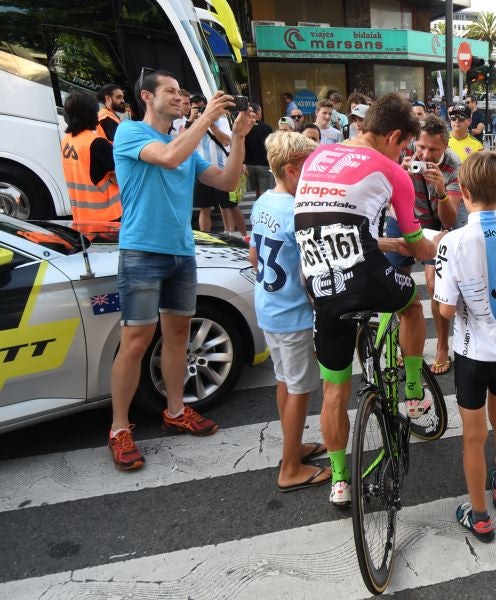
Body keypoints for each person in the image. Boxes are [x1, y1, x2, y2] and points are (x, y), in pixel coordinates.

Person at [293, 93, 438, 507]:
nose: (405, 154)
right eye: (405, 145)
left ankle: (339, 480)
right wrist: (437, 248)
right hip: (366, 274)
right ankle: (412, 391)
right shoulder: (392, 170)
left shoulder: (317, 158)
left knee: (334, 388)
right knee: (410, 305)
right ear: (394, 135)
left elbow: (324, 220)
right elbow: (414, 242)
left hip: (319, 280)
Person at [108, 71, 250, 470]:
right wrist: (206, 120)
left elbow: (224, 179)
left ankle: (175, 411)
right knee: (135, 340)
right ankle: (120, 429)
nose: (180, 97)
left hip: (182, 252)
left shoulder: (184, 143)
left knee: (178, 337)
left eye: (182, 93)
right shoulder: (131, 133)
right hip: (141, 251)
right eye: (171, 91)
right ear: (146, 96)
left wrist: (236, 137)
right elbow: (168, 158)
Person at [432, 151, 496, 543]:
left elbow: (443, 309)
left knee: (473, 435)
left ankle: (478, 514)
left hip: (472, 351)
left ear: (465, 190)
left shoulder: (453, 241)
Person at [248, 131, 330, 491]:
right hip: (294, 314)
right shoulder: (298, 212)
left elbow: (254, 257)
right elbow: (308, 274)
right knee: (299, 390)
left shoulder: (264, 201)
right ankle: (290, 468)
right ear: (295, 170)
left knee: (284, 381)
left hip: (268, 306)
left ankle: (292, 447)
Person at [384, 115, 463, 376]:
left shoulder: (454, 166)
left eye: (433, 149)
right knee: (396, 283)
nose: (425, 154)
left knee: (435, 285)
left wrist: (441, 189)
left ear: (446, 147)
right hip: (402, 219)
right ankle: (399, 340)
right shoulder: (404, 150)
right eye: (422, 147)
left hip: (436, 227)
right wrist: (398, 171)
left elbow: (449, 218)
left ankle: (442, 346)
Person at [188, 94, 246, 238]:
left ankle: (245, 237)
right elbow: (185, 141)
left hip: (223, 171)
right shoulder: (191, 123)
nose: (200, 110)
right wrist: (192, 120)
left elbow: (227, 141)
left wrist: (210, 123)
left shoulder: (222, 121)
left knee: (232, 206)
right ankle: (205, 239)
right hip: (202, 173)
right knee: (204, 209)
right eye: (195, 107)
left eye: (202, 107)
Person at [60, 92, 122, 224]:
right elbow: (121, 177)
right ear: (90, 114)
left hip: (81, 216)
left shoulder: (67, 140)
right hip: (108, 216)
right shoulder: (97, 143)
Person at [244, 102, 275, 198]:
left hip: (249, 164)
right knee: (265, 192)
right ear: (257, 112)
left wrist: (243, 162)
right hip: (264, 164)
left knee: (256, 191)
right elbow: (271, 147)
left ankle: (257, 207)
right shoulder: (267, 128)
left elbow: (242, 146)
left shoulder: (245, 128)